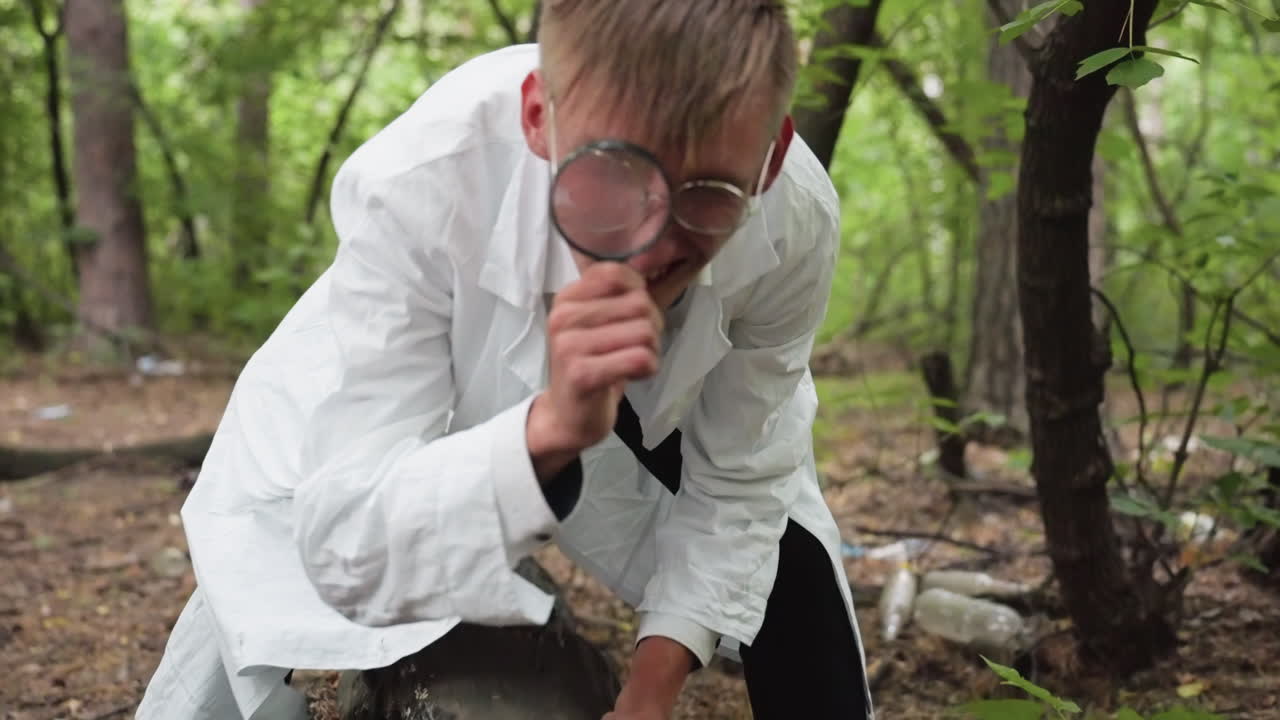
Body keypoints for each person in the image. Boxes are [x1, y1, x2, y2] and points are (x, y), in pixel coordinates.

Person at [136, 1, 872, 718]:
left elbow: (742, 470)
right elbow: (347, 538)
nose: (647, 247)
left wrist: (647, 696)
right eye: (610, 175)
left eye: (707, 192)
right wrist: (547, 432)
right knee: (273, 551)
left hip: (679, 409)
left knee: (791, 568)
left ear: (772, 156)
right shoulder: (424, 181)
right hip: (422, 366)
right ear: (538, 118)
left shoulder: (796, 223)